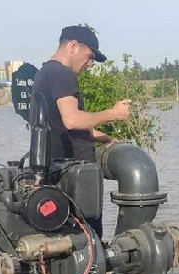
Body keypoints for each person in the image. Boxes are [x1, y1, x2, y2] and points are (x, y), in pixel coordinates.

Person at [30, 25, 132, 236]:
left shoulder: (44, 73)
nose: (90, 64)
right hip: (76, 181)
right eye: (90, 56)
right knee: (89, 242)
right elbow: (72, 120)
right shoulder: (62, 74)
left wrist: (105, 138)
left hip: (56, 176)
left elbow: (61, 125)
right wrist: (113, 113)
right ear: (73, 46)